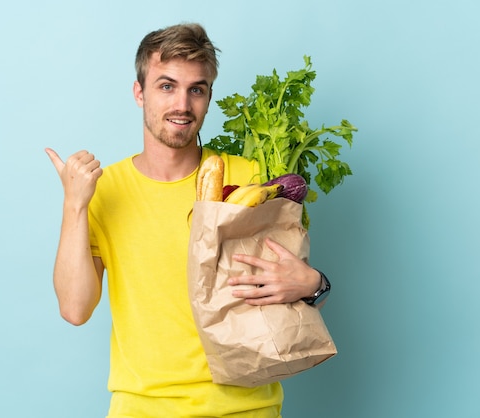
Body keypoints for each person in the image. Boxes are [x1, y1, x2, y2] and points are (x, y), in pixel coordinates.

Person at [45, 23, 329, 418]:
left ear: (209, 97)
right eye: (166, 86)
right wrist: (75, 204)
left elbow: (285, 282)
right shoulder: (103, 191)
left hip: (247, 408)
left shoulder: (249, 178)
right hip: (143, 409)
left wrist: (315, 284)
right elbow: (75, 309)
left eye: (196, 89)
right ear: (139, 92)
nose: (182, 104)